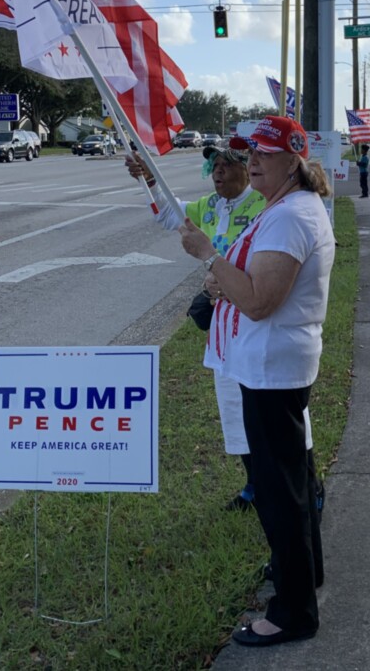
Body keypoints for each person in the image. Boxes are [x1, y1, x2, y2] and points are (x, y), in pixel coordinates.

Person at [180, 116, 336, 647]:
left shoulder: (290, 216)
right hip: (268, 365)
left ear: (293, 159)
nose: (251, 161)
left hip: (272, 368)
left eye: (264, 153)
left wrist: (210, 257)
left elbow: (259, 301)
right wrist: (223, 277)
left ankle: (293, 612)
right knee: (290, 479)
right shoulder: (281, 208)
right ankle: (302, 573)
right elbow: (250, 286)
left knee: (278, 491)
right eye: (248, 151)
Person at [125, 144, 266, 509]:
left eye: (227, 166)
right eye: (214, 166)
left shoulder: (264, 205)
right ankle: (255, 483)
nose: (218, 172)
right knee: (234, 409)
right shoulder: (211, 207)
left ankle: (304, 484)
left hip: (258, 322)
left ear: (247, 169)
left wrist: (226, 277)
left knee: (272, 412)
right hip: (224, 330)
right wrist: (148, 180)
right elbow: (168, 215)